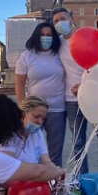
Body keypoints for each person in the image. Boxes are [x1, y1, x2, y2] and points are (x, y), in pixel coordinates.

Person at [52, 8, 98, 173]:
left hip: (94, 96)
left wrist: (85, 85)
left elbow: (94, 66)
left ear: (71, 18)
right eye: (55, 21)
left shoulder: (85, 37)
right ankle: (82, 180)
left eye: (62, 18)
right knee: (78, 144)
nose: (59, 23)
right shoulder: (57, 44)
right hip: (71, 101)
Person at [15, 22, 66, 165]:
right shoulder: (26, 56)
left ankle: (55, 183)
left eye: (49, 35)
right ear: (36, 36)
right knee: (30, 149)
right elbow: (19, 84)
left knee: (55, 152)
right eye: (42, 35)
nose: (46, 38)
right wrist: (22, 108)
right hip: (33, 111)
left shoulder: (59, 54)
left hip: (57, 109)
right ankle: (33, 181)